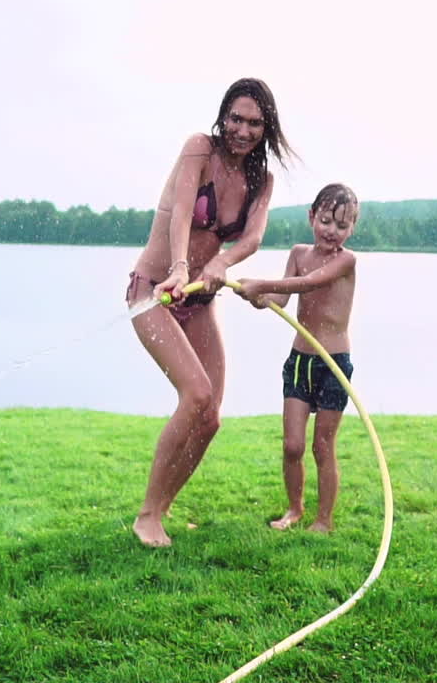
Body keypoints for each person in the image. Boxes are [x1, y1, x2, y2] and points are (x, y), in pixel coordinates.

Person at [126, 78, 295, 547]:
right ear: (223, 116)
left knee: (211, 417)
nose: (243, 130)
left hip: (198, 300)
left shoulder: (262, 180)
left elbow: (252, 238)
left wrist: (222, 262)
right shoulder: (199, 148)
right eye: (236, 118)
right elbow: (183, 212)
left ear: (267, 128)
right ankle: (146, 516)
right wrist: (180, 268)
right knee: (196, 393)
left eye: (255, 123)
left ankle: (162, 508)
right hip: (154, 292)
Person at [235, 184, 359, 533]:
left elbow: (310, 283)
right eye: (325, 221)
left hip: (333, 363)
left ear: (352, 229)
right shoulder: (298, 253)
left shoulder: (346, 261)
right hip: (300, 362)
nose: (332, 231)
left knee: (322, 446)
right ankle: (294, 509)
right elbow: (281, 299)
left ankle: (324, 520)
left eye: (342, 225)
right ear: (311, 216)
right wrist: (256, 296)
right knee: (293, 445)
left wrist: (261, 283)